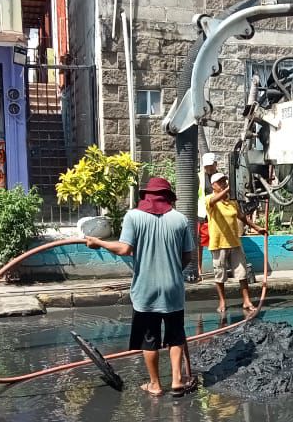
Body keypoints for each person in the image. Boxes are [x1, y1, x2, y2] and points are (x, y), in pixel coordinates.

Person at [86, 177, 198, 397]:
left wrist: (98, 242)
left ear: (146, 196)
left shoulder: (133, 216)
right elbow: (188, 256)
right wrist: (174, 269)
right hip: (173, 288)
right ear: (168, 197)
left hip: (145, 290)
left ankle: (155, 384)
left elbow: (125, 249)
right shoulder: (180, 220)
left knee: (150, 338)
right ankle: (176, 380)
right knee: (175, 336)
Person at [205, 172, 267, 314]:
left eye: (225, 181)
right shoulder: (210, 200)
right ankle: (222, 301)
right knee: (219, 274)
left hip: (234, 242)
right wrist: (229, 189)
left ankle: (246, 300)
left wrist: (257, 228)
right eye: (220, 182)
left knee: (242, 273)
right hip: (219, 243)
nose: (224, 184)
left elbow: (242, 217)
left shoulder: (232, 202)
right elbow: (214, 201)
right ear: (213, 186)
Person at [197, 152, 219, 275]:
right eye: (206, 166)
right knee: (199, 243)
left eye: (211, 166)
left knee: (215, 242)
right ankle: (199, 269)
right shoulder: (199, 177)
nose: (208, 168)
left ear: (216, 164)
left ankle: (217, 267)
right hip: (202, 214)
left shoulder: (221, 178)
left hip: (217, 214)